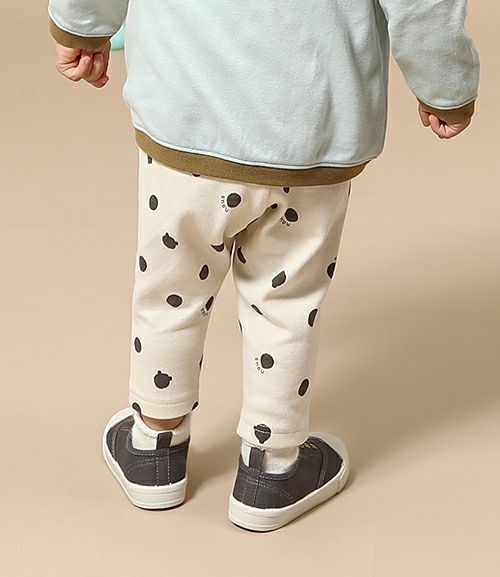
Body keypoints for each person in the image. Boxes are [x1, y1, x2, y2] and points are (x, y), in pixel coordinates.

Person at [48, 0, 480, 532]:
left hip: (184, 118)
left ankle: (152, 445)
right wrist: (445, 85)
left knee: (170, 292)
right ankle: (272, 468)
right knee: (286, 305)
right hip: (310, 132)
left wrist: (83, 27)